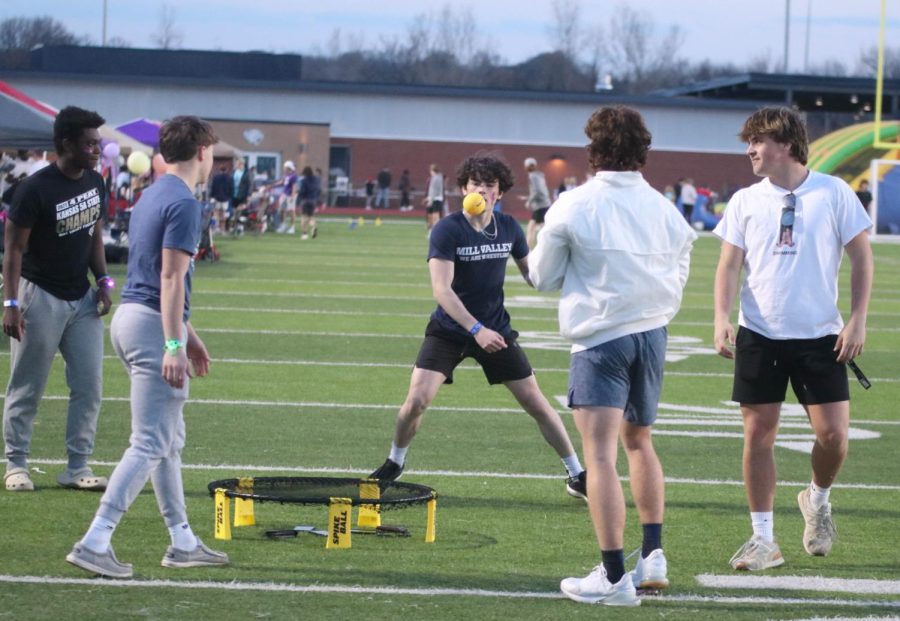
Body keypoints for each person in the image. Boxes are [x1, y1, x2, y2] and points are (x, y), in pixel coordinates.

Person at [530, 106, 697, 606]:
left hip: (602, 337)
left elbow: (543, 277)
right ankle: (654, 553)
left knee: (600, 455)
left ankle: (613, 577)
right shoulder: (666, 207)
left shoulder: (575, 203)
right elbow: (682, 268)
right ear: (642, 149)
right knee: (640, 442)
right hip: (653, 332)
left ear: (593, 149)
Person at [370, 154, 587, 500]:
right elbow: (442, 290)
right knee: (417, 400)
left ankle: (578, 475)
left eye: (490, 185)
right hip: (451, 330)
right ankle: (395, 461)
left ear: (499, 193)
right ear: (463, 189)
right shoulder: (448, 229)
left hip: (496, 330)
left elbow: (535, 277)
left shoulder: (510, 228)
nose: (482, 191)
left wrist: (570, 267)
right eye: (475, 184)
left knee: (536, 402)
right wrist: (475, 330)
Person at [66, 116, 229, 578]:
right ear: (201, 151)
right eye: (212, 151)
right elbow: (170, 278)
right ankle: (96, 540)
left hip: (133, 320)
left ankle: (182, 540)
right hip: (152, 328)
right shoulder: (182, 201)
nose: (212, 159)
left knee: (168, 441)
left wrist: (188, 338)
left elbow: (154, 276)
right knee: (151, 441)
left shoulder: (153, 193)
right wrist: (175, 343)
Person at [713, 106, 873, 572]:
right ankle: (763, 539)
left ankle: (817, 498)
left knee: (833, 435)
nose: (749, 150)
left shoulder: (834, 192)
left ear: (784, 143)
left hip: (820, 335)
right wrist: (721, 317)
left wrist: (858, 319)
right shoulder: (745, 199)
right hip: (759, 333)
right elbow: (727, 264)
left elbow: (862, 259)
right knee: (758, 433)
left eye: (757, 141)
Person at [3, 106, 112, 493]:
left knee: (89, 385)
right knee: (27, 384)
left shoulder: (96, 182)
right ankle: (16, 463)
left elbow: (94, 235)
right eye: (89, 143)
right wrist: (11, 303)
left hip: (81, 297)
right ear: (65, 143)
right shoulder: (34, 189)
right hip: (40, 295)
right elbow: (13, 250)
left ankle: (77, 465)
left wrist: (103, 279)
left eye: (98, 143)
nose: (97, 149)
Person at [524, 157, 551, 248]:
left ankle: (528, 251)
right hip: (545, 204)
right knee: (536, 228)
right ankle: (530, 249)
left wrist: (529, 201)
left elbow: (536, 191)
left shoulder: (532, 176)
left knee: (533, 228)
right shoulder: (539, 175)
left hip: (540, 206)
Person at [298, 166, 321, 240]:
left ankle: (304, 233)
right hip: (313, 201)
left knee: (304, 217)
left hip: (305, 200)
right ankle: (314, 227)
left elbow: (302, 191)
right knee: (311, 217)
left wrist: (300, 196)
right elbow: (318, 190)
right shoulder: (316, 180)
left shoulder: (304, 180)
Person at [208, 165, 233, 233]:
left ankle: (216, 228)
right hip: (225, 198)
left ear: (220, 170)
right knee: (224, 214)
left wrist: (212, 196)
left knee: (216, 214)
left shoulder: (216, 177)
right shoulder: (229, 178)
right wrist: (229, 196)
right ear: (226, 170)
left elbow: (213, 187)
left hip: (217, 198)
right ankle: (223, 229)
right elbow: (231, 188)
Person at [276, 161, 298, 234]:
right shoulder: (286, 175)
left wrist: (292, 196)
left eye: (285, 168)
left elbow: (294, 187)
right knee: (282, 210)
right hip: (284, 194)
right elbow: (282, 183)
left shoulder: (293, 176)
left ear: (289, 168)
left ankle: (292, 227)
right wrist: (271, 185)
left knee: (291, 211)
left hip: (290, 195)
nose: (284, 169)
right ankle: (283, 225)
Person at [423, 164, 444, 234]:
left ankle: (435, 231)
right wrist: (428, 198)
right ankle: (432, 230)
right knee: (432, 215)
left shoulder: (436, 178)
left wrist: (430, 200)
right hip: (435, 198)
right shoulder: (438, 177)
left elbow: (434, 190)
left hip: (436, 199)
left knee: (435, 216)